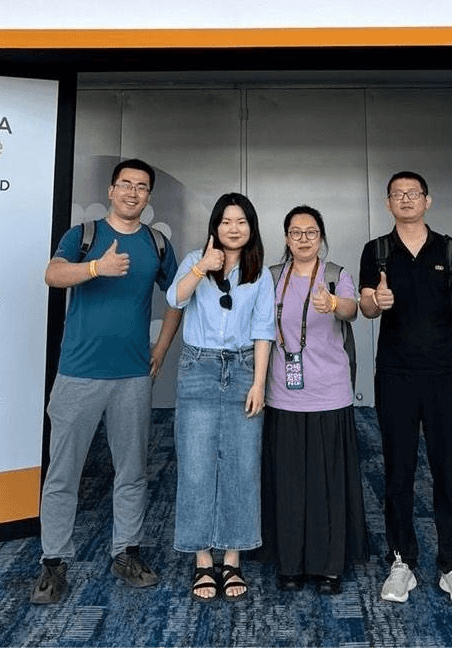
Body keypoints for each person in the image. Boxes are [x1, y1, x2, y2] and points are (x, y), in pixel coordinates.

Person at [30, 158, 182, 605]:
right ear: (112, 190)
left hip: (133, 376)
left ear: (148, 196)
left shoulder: (156, 244)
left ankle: (126, 553)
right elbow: (53, 274)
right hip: (77, 374)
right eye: (126, 184)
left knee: (132, 471)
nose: (133, 192)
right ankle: (53, 562)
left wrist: (161, 350)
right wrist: (96, 268)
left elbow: (178, 297)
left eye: (142, 187)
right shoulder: (84, 236)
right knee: (63, 473)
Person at [359, 172, 452, 607]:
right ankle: (401, 561)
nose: (406, 199)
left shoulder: (451, 250)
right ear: (388, 203)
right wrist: (376, 302)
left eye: (413, 194)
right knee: (399, 470)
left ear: (428, 200)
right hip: (395, 375)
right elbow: (366, 306)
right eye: (398, 194)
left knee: (448, 470)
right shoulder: (377, 250)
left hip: (443, 377)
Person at [167, 193, 275, 603]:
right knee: (195, 465)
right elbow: (175, 299)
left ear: (251, 227)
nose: (234, 228)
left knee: (241, 465)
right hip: (199, 368)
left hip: (244, 368)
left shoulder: (259, 271)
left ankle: (232, 557)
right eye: (226, 221)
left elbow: (264, 329)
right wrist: (202, 268)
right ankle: (202, 560)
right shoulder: (196, 259)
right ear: (215, 226)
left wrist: (259, 383)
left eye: (241, 221)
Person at [261, 206, 369, 595]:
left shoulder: (337, 275)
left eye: (311, 232)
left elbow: (353, 310)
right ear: (286, 238)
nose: (303, 239)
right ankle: (290, 563)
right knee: (289, 483)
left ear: (321, 237)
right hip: (283, 394)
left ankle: (329, 566)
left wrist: (334, 305)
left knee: (328, 485)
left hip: (329, 394)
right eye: (296, 232)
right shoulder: (272, 277)